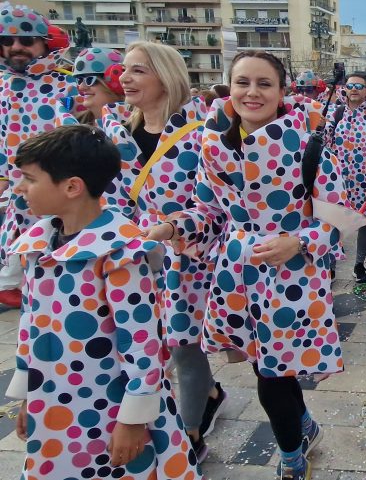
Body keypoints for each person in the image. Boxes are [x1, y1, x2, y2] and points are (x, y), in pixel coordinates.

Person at [148, 51, 359, 479]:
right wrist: (173, 228)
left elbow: (340, 220)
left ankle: (291, 457)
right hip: (236, 274)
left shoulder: (308, 144)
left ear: (283, 92)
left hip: (292, 277)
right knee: (271, 367)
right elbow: (208, 214)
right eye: (243, 82)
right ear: (230, 87)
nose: (252, 92)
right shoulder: (214, 145)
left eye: (264, 83)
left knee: (271, 372)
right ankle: (303, 428)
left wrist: (297, 240)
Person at [7, 125, 201, 480]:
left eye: (30, 179)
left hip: (109, 409)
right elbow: (29, 326)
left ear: (71, 187)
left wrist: (132, 419)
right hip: (53, 403)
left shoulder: (118, 253)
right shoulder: (37, 246)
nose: (19, 188)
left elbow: (143, 343)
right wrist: (27, 395)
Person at [97, 41, 223, 462]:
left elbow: (216, 205)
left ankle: (190, 438)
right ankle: (207, 394)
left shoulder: (202, 133)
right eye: (124, 71)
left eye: (137, 71)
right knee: (151, 348)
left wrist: (173, 229)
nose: (125, 79)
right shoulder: (120, 135)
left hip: (189, 260)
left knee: (186, 347)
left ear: (165, 76)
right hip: (134, 262)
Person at [0, 4, 78, 311]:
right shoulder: (2, 86)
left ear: (44, 42)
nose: (16, 47)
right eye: (7, 40)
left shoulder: (66, 83)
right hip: (17, 191)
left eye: (26, 40)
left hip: (63, 187)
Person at [328, 73, 366, 284]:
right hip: (338, 180)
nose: (354, 89)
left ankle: (359, 264)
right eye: (350, 85)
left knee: (364, 223)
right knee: (333, 223)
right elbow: (325, 143)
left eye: (359, 86)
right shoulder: (336, 113)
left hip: (365, 181)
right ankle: (331, 265)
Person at [71, 47, 126, 125]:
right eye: (79, 80)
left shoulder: (134, 128)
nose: (81, 87)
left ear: (117, 82)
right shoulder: (73, 123)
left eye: (89, 80)